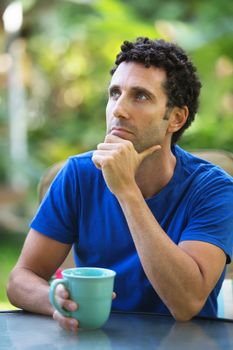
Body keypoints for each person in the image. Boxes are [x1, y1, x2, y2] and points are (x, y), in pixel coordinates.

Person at [7, 37, 233, 331]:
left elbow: (186, 303)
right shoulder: (78, 175)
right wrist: (56, 300)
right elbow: (21, 278)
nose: (118, 110)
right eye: (115, 93)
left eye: (140, 96)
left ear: (176, 118)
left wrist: (127, 191)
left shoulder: (214, 189)